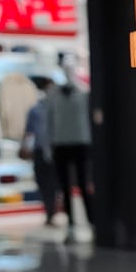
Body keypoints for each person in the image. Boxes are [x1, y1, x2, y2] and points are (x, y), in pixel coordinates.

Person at [47, 72, 94, 240]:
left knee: (84, 183)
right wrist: (49, 145)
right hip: (61, 143)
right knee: (64, 185)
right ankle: (71, 222)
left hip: (81, 142)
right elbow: (49, 121)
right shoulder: (53, 96)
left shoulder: (83, 94)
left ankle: (91, 220)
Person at [20, 76, 59, 229]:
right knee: (44, 183)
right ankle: (50, 213)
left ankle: (51, 213)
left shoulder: (54, 107)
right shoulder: (35, 110)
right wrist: (26, 148)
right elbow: (30, 132)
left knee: (52, 183)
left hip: (54, 150)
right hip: (41, 150)